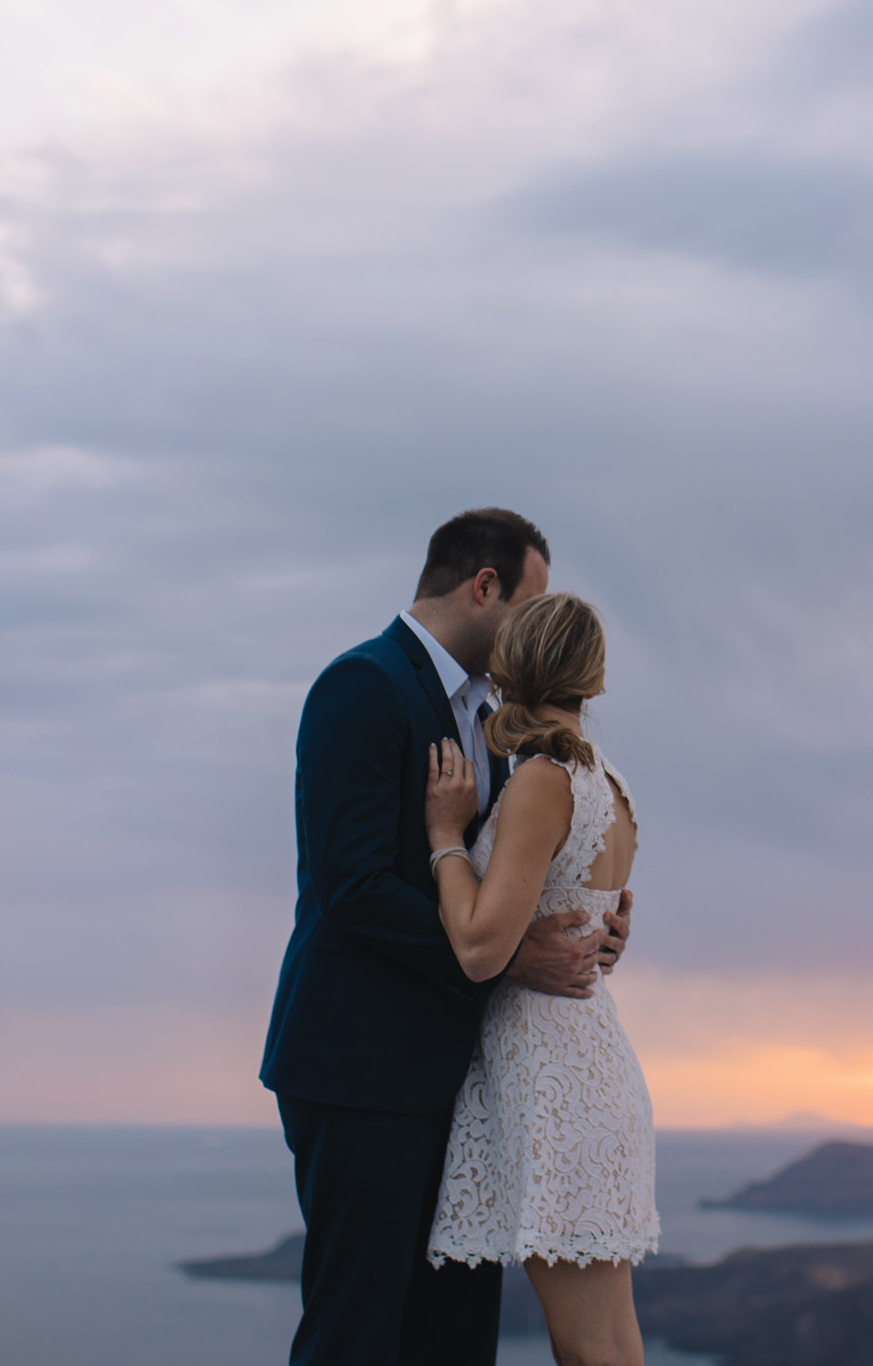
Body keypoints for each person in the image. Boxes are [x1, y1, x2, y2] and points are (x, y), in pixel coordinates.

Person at [259, 508, 632, 1366]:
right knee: (356, 1331)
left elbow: (518, 875)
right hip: (362, 1071)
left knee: (455, 1337)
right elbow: (349, 888)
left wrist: (587, 927)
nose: (536, 630)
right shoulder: (361, 684)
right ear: (484, 586)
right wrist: (507, 948)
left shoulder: (502, 723)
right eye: (530, 605)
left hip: (465, 1082)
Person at [421, 591, 658, 1366]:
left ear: (511, 662)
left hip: (556, 1072)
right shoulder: (610, 782)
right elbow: (593, 913)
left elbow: (483, 946)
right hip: (586, 1054)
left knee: (591, 1348)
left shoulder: (545, 780)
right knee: (606, 1344)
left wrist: (444, 837)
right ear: (589, 676)